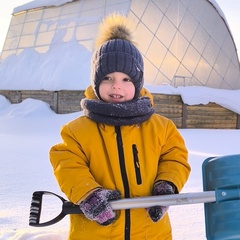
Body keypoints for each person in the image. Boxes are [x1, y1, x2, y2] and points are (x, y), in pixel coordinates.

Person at [49, 13, 191, 240]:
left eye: (126, 79)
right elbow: (66, 163)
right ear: (96, 82)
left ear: (138, 83)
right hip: (95, 234)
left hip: (150, 233)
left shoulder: (162, 128)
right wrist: (88, 194)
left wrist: (167, 185)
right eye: (107, 78)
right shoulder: (76, 131)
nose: (117, 86)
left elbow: (175, 158)